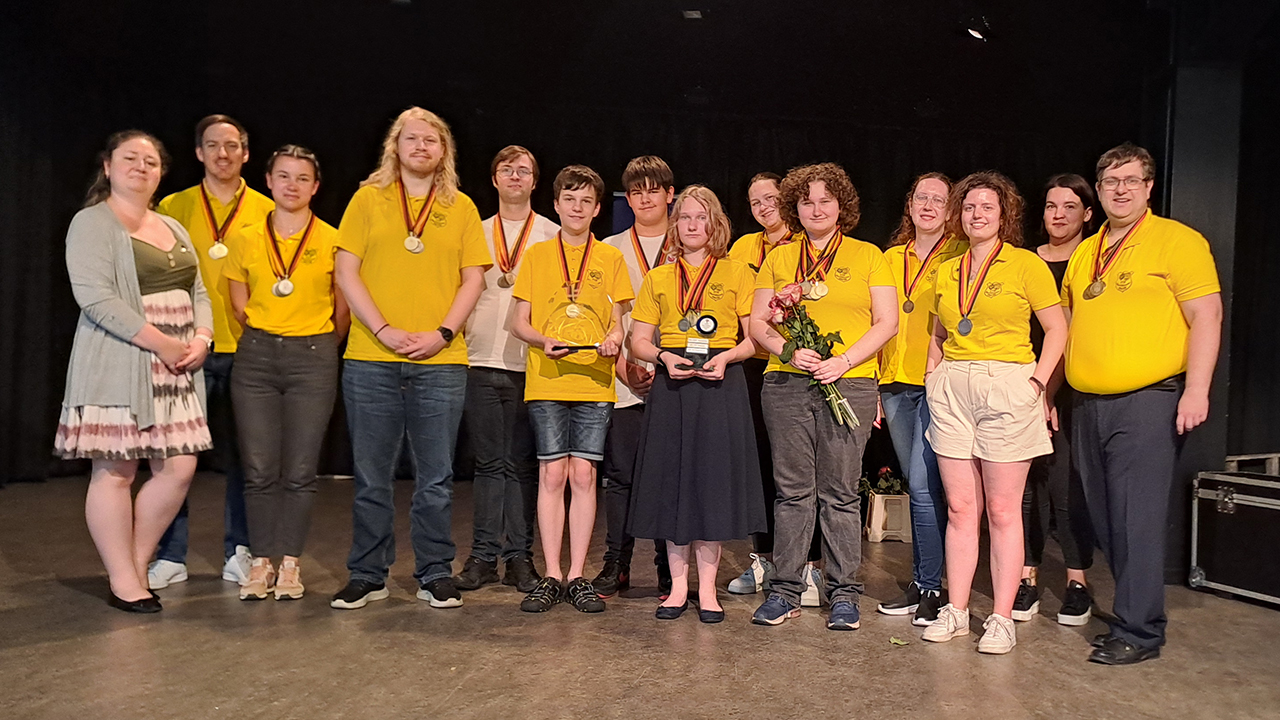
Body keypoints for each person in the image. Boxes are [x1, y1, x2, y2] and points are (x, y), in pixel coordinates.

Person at [1062, 143, 1221, 665]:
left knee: (1137, 519)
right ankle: (1134, 610)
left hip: (1148, 402)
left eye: (1131, 180)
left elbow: (1207, 317)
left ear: (1149, 187)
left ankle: (1140, 631)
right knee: (1107, 520)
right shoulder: (1088, 251)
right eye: (1111, 182)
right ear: (1099, 190)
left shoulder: (1178, 242)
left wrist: (1196, 390)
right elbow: (1067, 328)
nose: (1121, 189)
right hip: (1087, 405)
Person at [329, 107, 490, 611]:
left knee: (436, 478)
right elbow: (346, 271)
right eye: (411, 138)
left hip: (441, 362)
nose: (421, 147)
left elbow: (474, 279)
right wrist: (383, 328)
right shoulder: (367, 199)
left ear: (444, 151)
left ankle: (434, 572)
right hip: (371, 358)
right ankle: (368, 573)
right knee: (372, 476)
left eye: (432, 140)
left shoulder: (460, 206)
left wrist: (442, 333)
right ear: (395, 146)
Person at [55, 130, 213, 612]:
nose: (141, 167)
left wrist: (202, 338)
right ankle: (124, 579)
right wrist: (162, 343)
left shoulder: (173, 227)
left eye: (151, 161)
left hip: (177, 367)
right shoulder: (92, 223)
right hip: (121, 360)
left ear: (162, 172)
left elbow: (199, 290)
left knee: (179, 467)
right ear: (107, 166)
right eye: (131, 158)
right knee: (117, 468)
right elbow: (97, 299)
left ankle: (135, 564)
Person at [920, 171, 1067, 655]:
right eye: (968, 207)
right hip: (954, 386)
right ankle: (957, 611)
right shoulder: (947, 267)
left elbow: (1057, 330)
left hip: (1008, 382)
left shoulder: (1026, 265)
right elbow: (938, 334)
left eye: (987, 207)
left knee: (1004, 512)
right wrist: (932, 378)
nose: (976, 214)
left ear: (1004, 215)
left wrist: (1038, 384)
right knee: (962, 509)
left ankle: (1001, 618)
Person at [748, 163, 898, 630]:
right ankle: (785, 590)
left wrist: (844, 361)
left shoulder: (869, 254)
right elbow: (756, 324)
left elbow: (886, 322)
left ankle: (845, 594)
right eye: (807, 201)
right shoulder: (778, 258)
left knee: (840, 494)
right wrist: (789, 352)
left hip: (849, 383)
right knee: (792, 492)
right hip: (787, 383)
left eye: (825, 200)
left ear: (842, 207)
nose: (816, 208)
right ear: (796, 207)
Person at [627, 185, 766, 623]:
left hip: (720, 385)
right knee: (673, 483)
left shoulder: (739, 272)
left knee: (712, 485)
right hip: (673, 385)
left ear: (716, 224)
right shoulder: (659, 278)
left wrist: (726, 357)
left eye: (701, 218)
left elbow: (754, 338)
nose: (692, 225)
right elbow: (639, 341)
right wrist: (664, 357)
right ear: (675, 224)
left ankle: (707, 590)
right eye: (685, 217)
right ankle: (677, 590)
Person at [151, 114, 273, 590]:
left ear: (246, 153)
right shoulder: (172, 207)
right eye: (212, 146)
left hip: (249, 351)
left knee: (247, 458)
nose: (223, 154)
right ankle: (170, 554)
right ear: (198, 153)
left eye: (232, 146)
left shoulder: (266, 209)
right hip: (186, 351)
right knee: (176, 457)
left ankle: (239, 550)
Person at [223, 145, 349, 601]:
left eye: (302, 178)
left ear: (315, 187)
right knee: (258, 468)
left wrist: (313, 344)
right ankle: (260, 562)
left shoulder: (333, 239)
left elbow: (342, 311)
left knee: (299, 469)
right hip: (256, 356)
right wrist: (268, 333)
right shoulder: (245, 237)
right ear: (269, 181)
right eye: (283, 176)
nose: (292, 185)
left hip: (313, 356)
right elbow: (238, 302)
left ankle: (290, 564)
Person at [511, 165, 633, 613]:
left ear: (598, 209)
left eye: (586, 202)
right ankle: (551, 575)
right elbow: (517, 322)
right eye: (569, 200)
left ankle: (578, 574)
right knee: (551, 474)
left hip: (594, 381)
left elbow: (620, 322)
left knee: (583, 476)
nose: (577, 208)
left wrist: (616, 340)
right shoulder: (539, 256)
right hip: (546, 378)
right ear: (557, 204)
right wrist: (543, 339)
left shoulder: (611, 259)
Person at [453, 146, 557, 594]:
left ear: (535, 182)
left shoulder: (552, 235)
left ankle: (520, 557)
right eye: (506, 170)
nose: (515, 177)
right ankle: (481, 556)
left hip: (530, 364)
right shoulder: (472, 232)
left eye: (524, 171)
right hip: (477, 359)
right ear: (494, 179)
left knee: (522, 465)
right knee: (487, 464)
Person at [876, 172, 965, 626]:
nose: (928, 205)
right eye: (920, 197)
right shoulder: (889, 258)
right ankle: (923, 582)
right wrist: (874, 383)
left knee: (927, 488)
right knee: (918, 488)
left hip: (939, 383)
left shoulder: (962, 256)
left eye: (938, 199)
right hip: (894, 383)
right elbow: (873, 319)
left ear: (952, 209)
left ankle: (932, 586)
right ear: (909, 205)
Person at [1012, 173, 1097, 626]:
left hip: (1064, 390)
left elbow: (1065, 336)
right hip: (1024, 386)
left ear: (1087, 213)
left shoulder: (1092, 261)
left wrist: (1048, 393)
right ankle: (1027, 576)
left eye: (1068, 206)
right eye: (1050, 206)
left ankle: (1076, 581)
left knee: (1065, 490)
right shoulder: (1025, 262)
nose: (1058, 215)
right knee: (1024, 489)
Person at [594, 156, 676, 599]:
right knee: (621, 476)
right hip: (625, 375)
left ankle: (668, 568)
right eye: (635, 191)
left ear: (669, 194)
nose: (645, 198)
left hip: (677, 376)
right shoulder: (609, 248)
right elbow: (609, 318)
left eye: (653, 189)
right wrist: (625, 366)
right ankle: (616, 563)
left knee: (667, 475)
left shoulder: (687, 241)